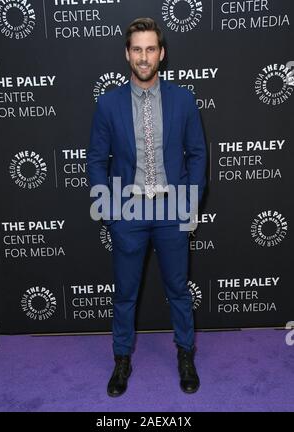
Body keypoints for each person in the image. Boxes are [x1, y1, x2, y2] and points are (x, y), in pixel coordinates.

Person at [87, 17, 207, 397]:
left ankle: (185, 354)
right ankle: (122, 359)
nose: (144, 56)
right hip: (129, 213)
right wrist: (110, 211)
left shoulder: (183, 100)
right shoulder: (108, 104)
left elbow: (198, 154)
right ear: (127, 54)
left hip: (172, 210)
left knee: (178, 288)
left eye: (150, 49)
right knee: (125, 292)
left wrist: (188, 202)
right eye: (137, 49)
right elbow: (95, 161)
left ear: (162, 53)